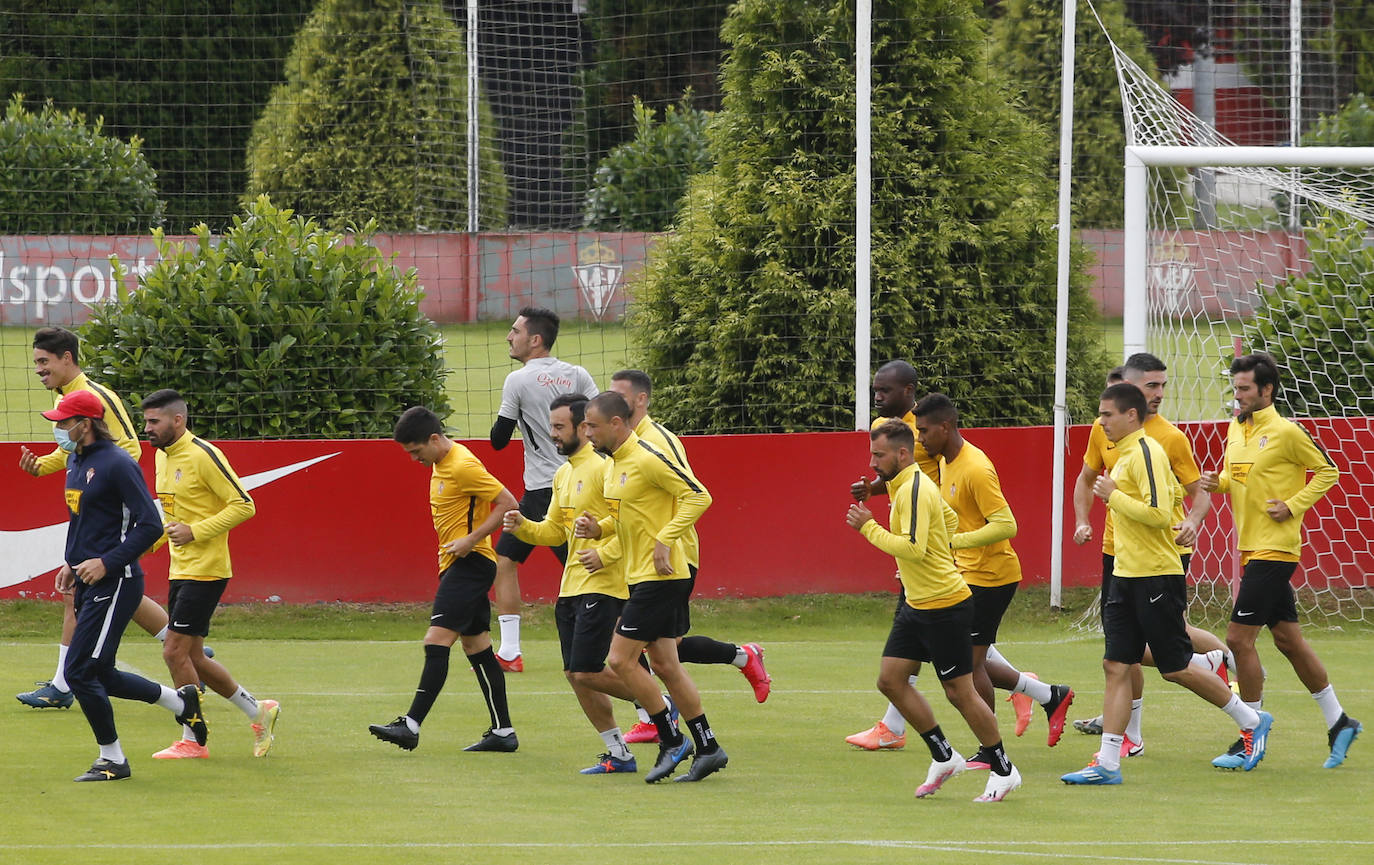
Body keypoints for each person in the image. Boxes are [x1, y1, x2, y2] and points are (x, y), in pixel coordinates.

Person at [1061, 384, 1271, 785]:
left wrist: (1114, 496)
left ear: (1131, 416)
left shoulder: (1146, 453)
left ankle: (1251, 720)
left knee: (1174, 667)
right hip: (1126, 573)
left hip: (1156, 575)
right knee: (1116, 664)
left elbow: (1160, 515)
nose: (1101, 421)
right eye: (1100, 414)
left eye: (1107, 414)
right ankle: (1107, 764)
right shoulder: (1122, 455)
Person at [846, 419, 1022, 803]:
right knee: (891, 680)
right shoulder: (905, 485)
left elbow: (912, 547)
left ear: (902, 453)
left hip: (945, 605)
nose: (873, 462)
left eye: (879, 455)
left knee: (960, 692)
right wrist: (924, 563)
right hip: (917, 603)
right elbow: (949, 521)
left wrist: (868, 527)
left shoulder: (912, 489)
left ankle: (1004, 770)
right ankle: (944, 756)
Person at [1199, 353, 1359, 770]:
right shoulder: (1237, 427)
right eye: (1235, 389)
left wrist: (1292, 504)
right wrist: (1218, 483)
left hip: (1276, 549)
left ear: (1267, 390)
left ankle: (1250, 731)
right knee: (1288, 640)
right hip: (1251, 549)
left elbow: (1328, 471)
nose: (1238, 396)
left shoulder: (1287, 432)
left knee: (1237, 640)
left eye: (1245, 389)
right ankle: (1339, 721)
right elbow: (1239, 477)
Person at [15, 326, 186, 710]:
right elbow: (77, 450)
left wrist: (101, 483)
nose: (39, 370)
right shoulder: (67, 398)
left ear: (67, 359)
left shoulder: (92, 396)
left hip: (112, 510)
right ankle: (182, 644)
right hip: (93, 503)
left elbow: (126, 448)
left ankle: (62, 685)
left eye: (44, 362)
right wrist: (43, 466)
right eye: (36, 363)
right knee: (116, 588)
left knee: (83, 589)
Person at [1070, 354, 1232, 754]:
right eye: (1151, 385)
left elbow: (1198, 493)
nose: (1159, 394)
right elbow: (1086, 478)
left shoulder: (1170, 439)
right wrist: (1082, 520)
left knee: (1160, 639)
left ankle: (1215, 662)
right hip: (1118, 551)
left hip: (1164, 550)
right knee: (1122, 647)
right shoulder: (1103, 428)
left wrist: (1193, 521)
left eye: (1162, 385)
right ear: (1126, 387)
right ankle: (1131, 735)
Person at [43, 389, 208, 782]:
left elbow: (149, 525)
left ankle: (113, 760)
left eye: (65, 422)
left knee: (81, 671)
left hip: (117, 581)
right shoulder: (76, 461)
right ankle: (181, 703)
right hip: (88, 579)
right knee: (99, 671)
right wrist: (71, 562)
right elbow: (81, 521)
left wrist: (107, 562)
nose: (59, 429)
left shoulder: (116, 463)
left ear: (86, 423)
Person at [607, 369, 771, 744]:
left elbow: (690, 496)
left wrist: (666, 540)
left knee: (645, 649)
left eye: (621, 395)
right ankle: (738, 661)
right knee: (660, 649)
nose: (613, 400)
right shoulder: (620, 444)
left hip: (670, 558)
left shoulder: (657, 442)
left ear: (641, 400)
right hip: (639, 559)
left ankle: (664, 721)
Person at [573, 391, 722, 783]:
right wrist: (599, 529)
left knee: (620, 660)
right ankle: (708, 747)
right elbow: (629, 520)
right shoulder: (613, 466)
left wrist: (667, 537)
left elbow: (698, 495)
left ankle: (672, 740)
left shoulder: (647, 457)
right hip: (640, 575)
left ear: (616, 424)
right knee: (666, 665)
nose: (586, 432)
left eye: (592, 425)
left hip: (663, 575)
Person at [912, 393, 1075, 745]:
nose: (920, 440)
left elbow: (1006, 525)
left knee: (967, 666)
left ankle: (991, 748)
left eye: (924, 432)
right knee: (962, 657)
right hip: (967, 573)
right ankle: (1047, 695)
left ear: (946, 426)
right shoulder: (945, 461)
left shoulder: (975, 467)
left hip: (991, 576)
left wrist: (956, 544)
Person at [503, 394, 645, 774]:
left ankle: (659, 702)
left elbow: (629, 523)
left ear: (584, 427)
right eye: (551, 426)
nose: (552, 434)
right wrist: (524, 527)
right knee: (574, 674)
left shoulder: (603, 469)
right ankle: (619, 753)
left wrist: (605, 552)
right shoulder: (563, 474)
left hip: (605, 584)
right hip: (571, 587)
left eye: (559, 427)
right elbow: (554, 531)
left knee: (586, 669)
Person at [370, 407, 521, 753]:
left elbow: (508, 502)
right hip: (459, 565)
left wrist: (471, 539)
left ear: (435, 439)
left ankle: (410, 724)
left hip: (470, 564)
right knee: (477, 646)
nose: (413, 459)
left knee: (436, 640)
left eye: (416, 451)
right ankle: (503, 731)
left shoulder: (463, 465)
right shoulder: (441, 462)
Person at [141, 389, 279, 759]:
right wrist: (139, 550)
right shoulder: (161, 457)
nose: (147, 428)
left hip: (207, 570)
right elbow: (170, 518)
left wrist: (196, 531)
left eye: (154, 421)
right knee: (195, 658)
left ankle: (193, 739)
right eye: (146, 421)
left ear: (177, 420)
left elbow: (244, 505)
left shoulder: (204, 455)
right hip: (180, 569)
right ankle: (258, 710)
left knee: (173, 651)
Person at [489, 307, 600, 672]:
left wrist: (522, 419)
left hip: (543, 489)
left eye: (515, 330)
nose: (509, 336)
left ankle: (627, 645)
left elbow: (498, 440)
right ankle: (509, 651)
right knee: (506, 557)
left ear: (535, 340)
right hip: (581, 482)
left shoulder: (517, 381)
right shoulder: (579, 373)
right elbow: (601, 417)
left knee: (583, 573)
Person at [844, 360, 940, 750]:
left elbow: (931, 479)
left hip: (930, 542)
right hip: (913, 537)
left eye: (885, 390)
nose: (878, 396)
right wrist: (873, 489)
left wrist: (870, 525)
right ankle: (894, 727)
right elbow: (896, 479)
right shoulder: (885, 432)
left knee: (957, 655)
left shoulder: (929, 428)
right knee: (938, 638)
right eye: (875, 390)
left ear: (909, 391)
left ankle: (1030, 694)